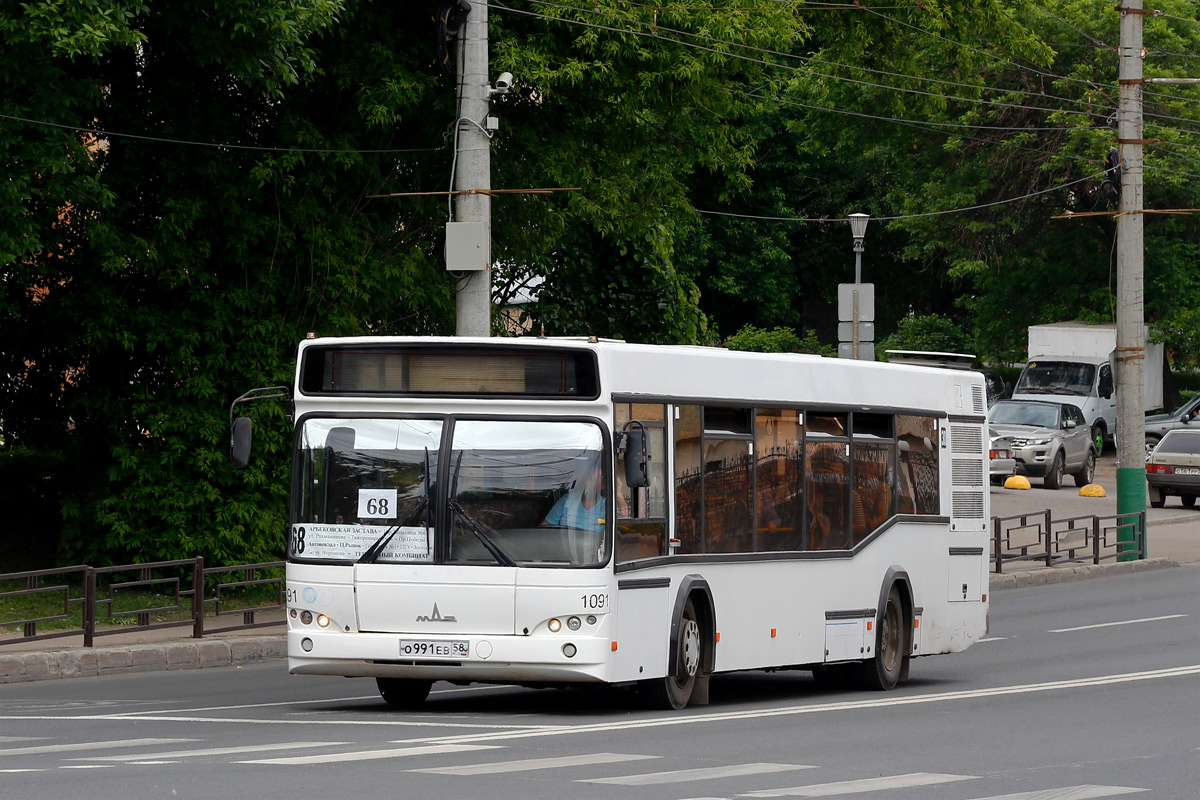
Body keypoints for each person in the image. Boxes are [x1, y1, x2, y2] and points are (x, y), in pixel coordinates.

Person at [542, 467, 607, 533]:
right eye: (587, 478)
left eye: (593, 479)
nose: (588, 482)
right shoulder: (567, 500)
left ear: (603, 485)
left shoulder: (608, 506)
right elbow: (544, 528)